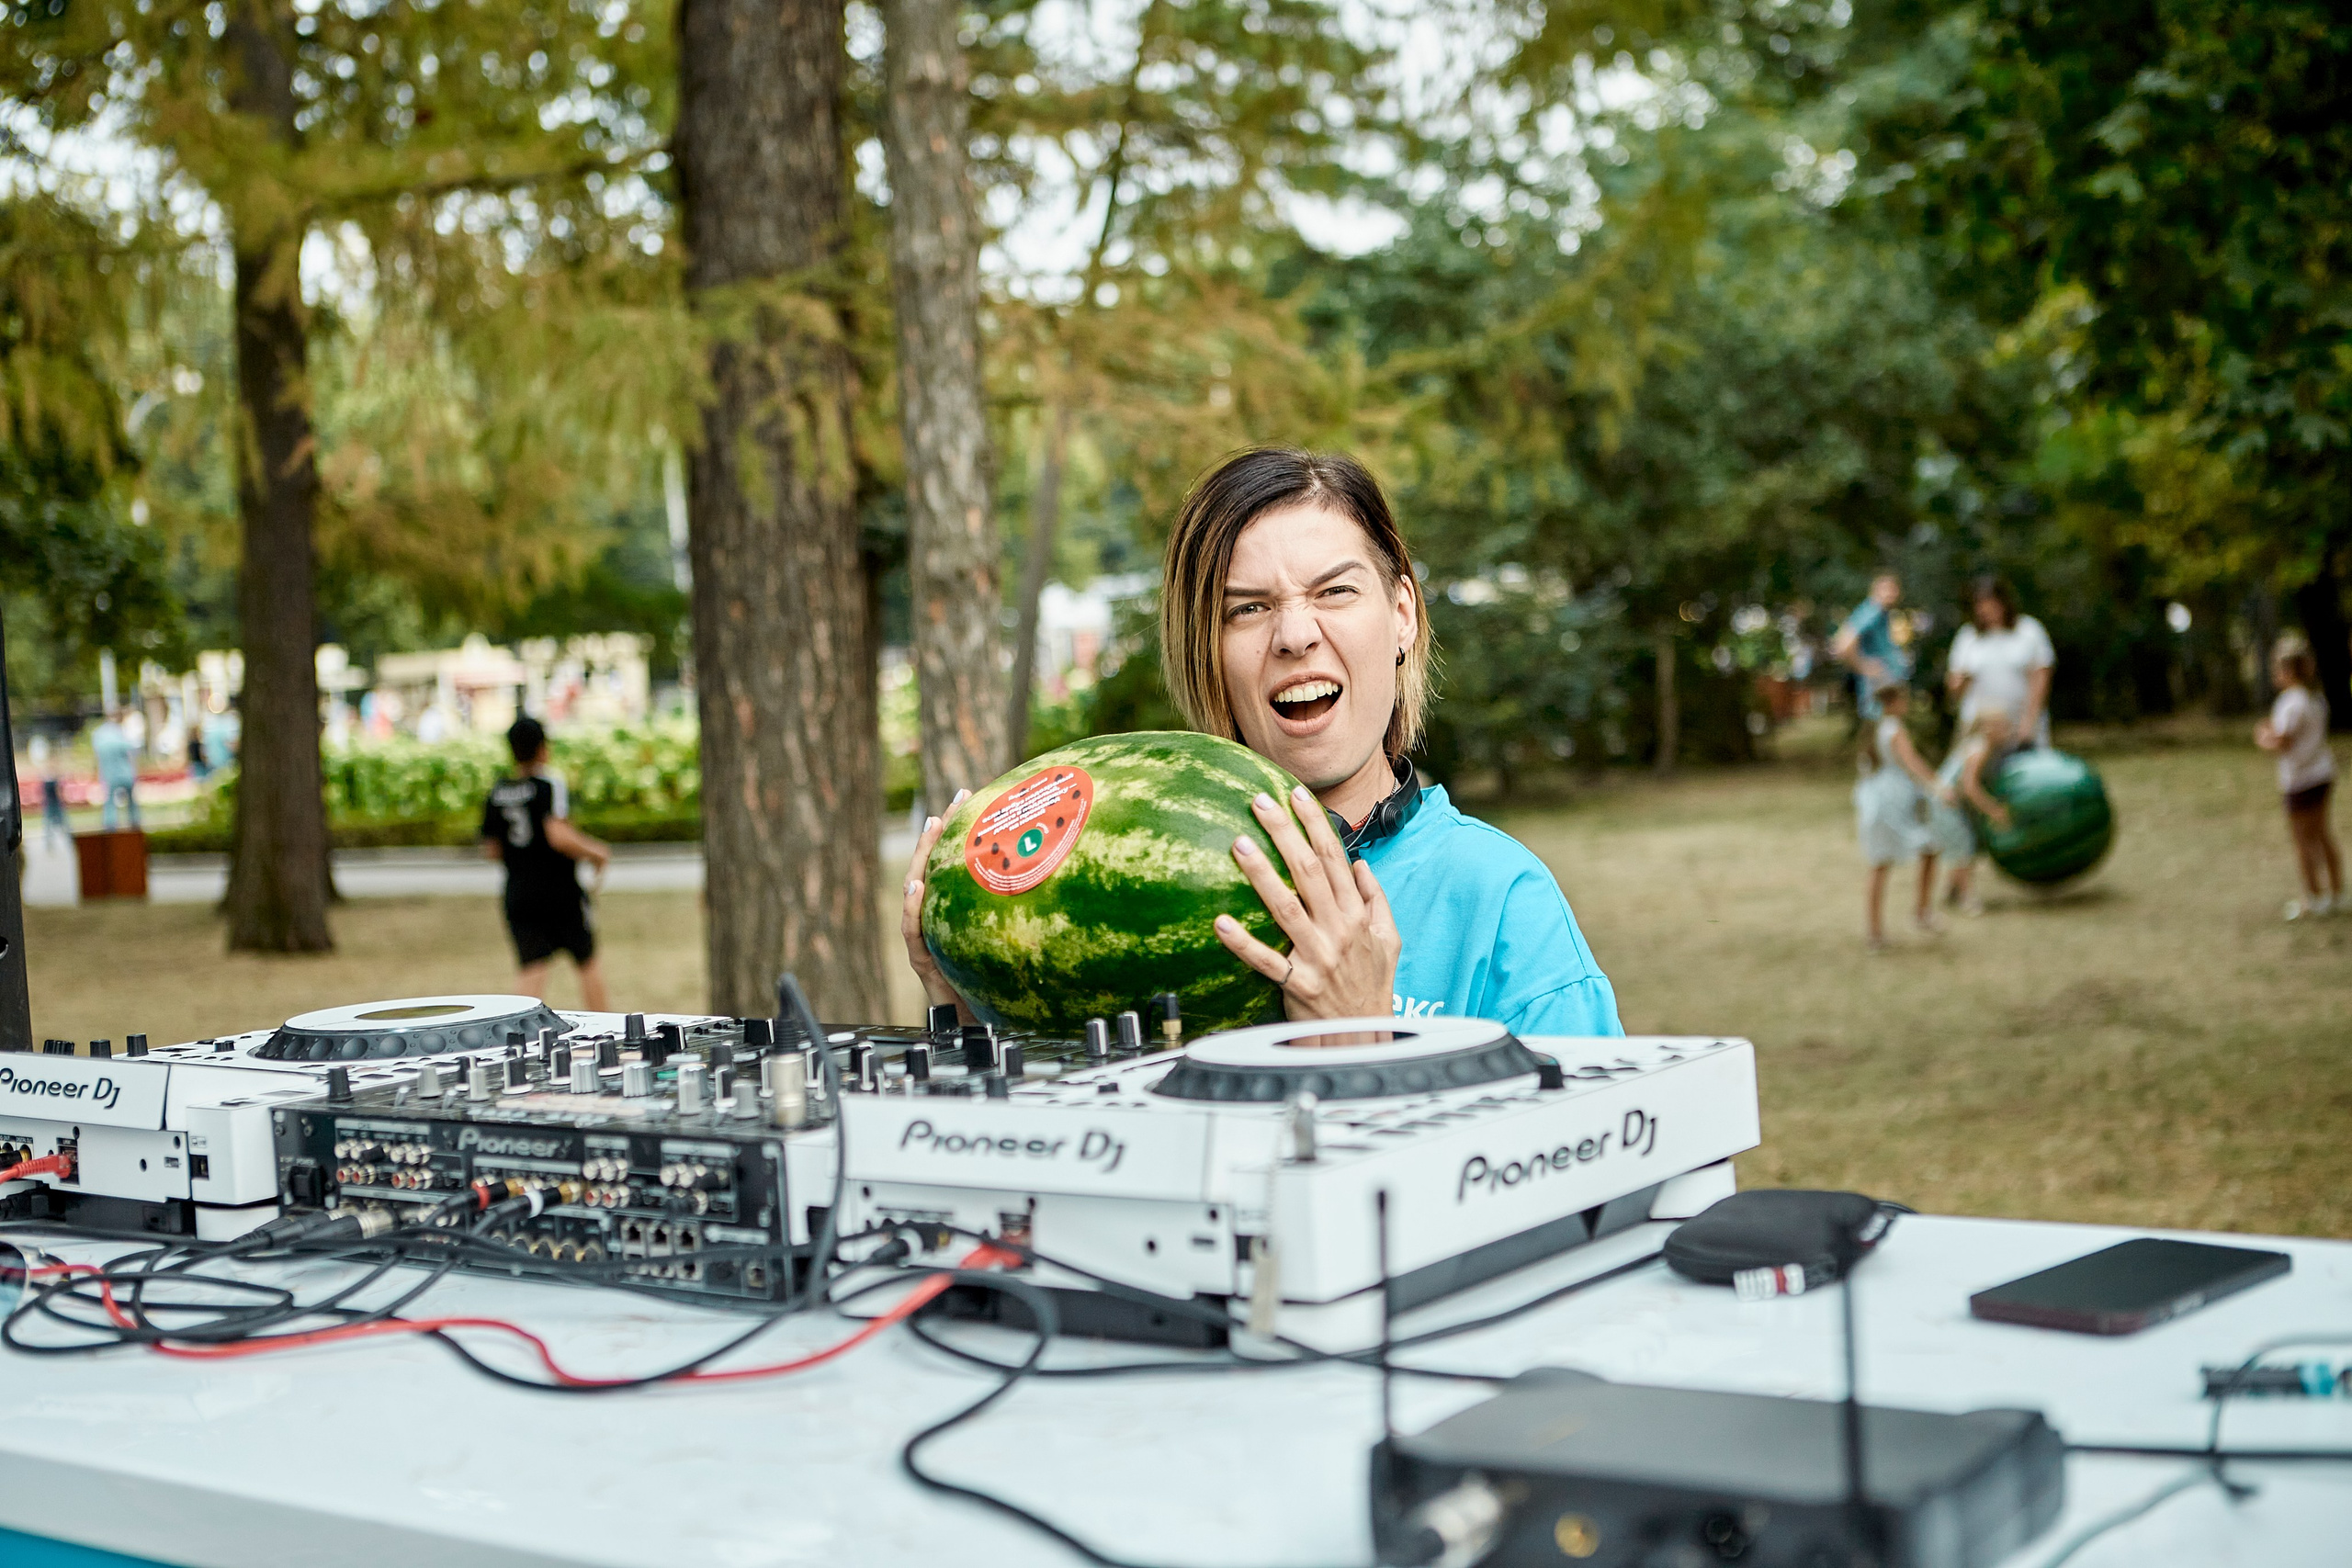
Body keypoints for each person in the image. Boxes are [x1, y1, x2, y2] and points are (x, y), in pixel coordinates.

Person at [902, 446, 1622, 1036]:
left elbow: (1593, 1191)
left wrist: (1367, 1049)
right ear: (1204, 650)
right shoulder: (1144, 881)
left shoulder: (1499, 900)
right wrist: (974, 1013)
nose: (1296, 635)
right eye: (1248, 608)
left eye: (1335, 592)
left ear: (1401, 615)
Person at [479, 716, 612, 1009]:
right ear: (542, 748)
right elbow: (558, 835)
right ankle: (608, 1033)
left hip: (518, 892)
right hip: (559, 891)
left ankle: (516, 1042)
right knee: (587, 961)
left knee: (532, 968)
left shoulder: (497, 791)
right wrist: (596, 851)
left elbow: (491, 849)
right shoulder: (548, 784)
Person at [1853, 682, 1944, 950]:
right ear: (1892, 702)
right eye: (1903, 699)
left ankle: (1877, 932)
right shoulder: (1893, 729)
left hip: (1879, 804)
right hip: (1891, 805)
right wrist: (1938, 786)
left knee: (1882, 863)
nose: (1907, 704)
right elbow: (1912, 762)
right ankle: (1921, 912)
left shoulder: (1874, 730)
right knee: (1925, 849)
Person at [2255, 640, 2339, 920]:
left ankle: (2313, 899)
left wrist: (2263, 736)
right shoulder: (2316, 698)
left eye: (2278, 667)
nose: (2274, 673)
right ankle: (2337, 893)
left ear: (2289, 670)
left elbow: (2283, 742)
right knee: (2323, 835)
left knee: (2303, 842)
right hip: (2322, 774)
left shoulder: (2291, 702)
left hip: (2301, 780)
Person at [1947, 575, 2054, 748]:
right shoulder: (1968, 636)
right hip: (1983, 727)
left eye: (1990, 604)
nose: (1985, 610)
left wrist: (2028, 723)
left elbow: (2040, 679)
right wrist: (1959, 683)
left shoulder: (2029, 631)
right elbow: (1954, 685)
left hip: (2020, 724)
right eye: (1980, 605)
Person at [1928, 708, 2018, 915]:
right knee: (1963, 846)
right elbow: (1969, 786)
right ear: (1988, 729)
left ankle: (1951, 891)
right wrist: (1993, 810)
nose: (2008, 732)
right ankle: (1967, 899)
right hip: (1944, 801)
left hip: (1945, 801)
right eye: (2003, 727)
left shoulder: (1984, 747)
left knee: (1961, 845)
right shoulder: (1980, 748)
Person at [1831, 573, 1912, 720]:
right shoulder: (1871, 611)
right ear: (1875, 590)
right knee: (1885, 731)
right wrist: (1864, 667)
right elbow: (1842, 645)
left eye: (1894, 588)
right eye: (1885, 588)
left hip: (1885, 693)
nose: (1891, 593)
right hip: (1879, 694)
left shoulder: (1882, 614)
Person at [90, 710, 140, 831]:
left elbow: (97, 755)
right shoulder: (120, 733)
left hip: (109, 774)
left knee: (110, 801)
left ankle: (110, 825)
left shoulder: (99, 734)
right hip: (124, 771)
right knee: (131, 801)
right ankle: (134, 824)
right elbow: (132, 750)